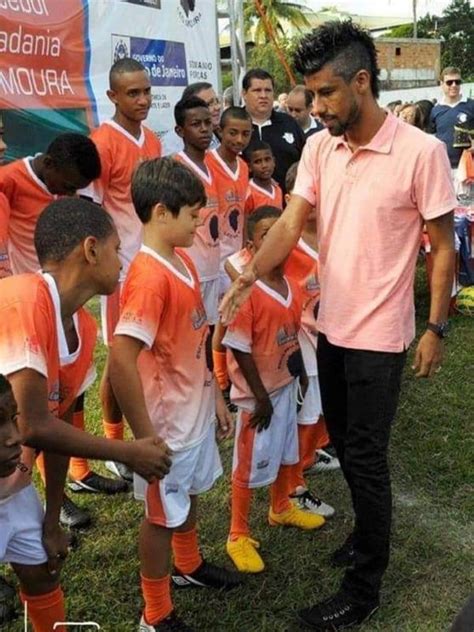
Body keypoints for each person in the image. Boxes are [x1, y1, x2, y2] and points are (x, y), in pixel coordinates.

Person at [220, 20, 456, 630]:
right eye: (311, 95)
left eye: (325, 94)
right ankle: (363, 541)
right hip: (330, 328)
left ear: (360, 81)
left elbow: (441, 245)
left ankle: (364, 586)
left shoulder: (421, 151)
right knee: (347, 450)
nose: (315, 107)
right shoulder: (323, 147)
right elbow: (292, 223)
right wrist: (246, 278)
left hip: (381, 339)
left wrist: (436, 328)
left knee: (367, 458)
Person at [0, 198, 172, 632]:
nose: (123, 261)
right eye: (117, 249)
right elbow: (31, 424)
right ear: (91, 249)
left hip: (12, 483)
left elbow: (56, 427)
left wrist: (52, 518)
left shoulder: (86, 328)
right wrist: (128, 451)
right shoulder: (21, 300)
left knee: (40, 571)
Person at [109, 158, 241, 632]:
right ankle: (156, 614)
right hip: (166, 430)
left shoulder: (181, 259)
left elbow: (197, 339)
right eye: (192, 215)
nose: (200, 223)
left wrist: (218, 399)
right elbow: (122, 359)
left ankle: (187, 567)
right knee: (160, 518)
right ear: (161, 212)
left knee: (187, 497)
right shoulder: (147, 278)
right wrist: (144, 438)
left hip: (196, 413)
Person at [223, 205, 325, 575]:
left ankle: (280, 507)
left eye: (280, 232)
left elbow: (291, 333)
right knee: (248, 465)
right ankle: (237, 534)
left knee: (286, 450)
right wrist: (260, 398)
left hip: (284, 386)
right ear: (252, 244)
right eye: (266, 235)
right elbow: (237, 345)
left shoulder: (290, 286)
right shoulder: (247, 290)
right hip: (258, 396)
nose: (276, 240)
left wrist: (296, 371)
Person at [82, 57, 162, 487]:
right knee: (120, 360)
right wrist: (105, 269)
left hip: (151, 267)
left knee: (146, 356)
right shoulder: (102, 143)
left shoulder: (151, 139)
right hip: (120, 274)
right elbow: (89, 212)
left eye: (147, 91)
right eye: (133, 93)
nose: (144, 99)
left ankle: (141, 431)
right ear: (112, 96)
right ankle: (116, 445)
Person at [0, 133, 100, 276]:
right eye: (68, 187)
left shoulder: (63, 180)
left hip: (55, 284)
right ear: (48, 164)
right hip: (24, 282)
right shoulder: (9, 180)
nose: (72, 194)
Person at [206, 107, 252, 405]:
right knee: (215, 323)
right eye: (232, 132)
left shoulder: (244, 167)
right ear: (219, 131)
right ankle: (219, 382)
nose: (238, 139)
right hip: (211, 258)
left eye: (245, 133)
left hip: (236, 256)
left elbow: (244, 212)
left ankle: (229, 378)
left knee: (233, 318)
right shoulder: (208, 163)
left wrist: (247, 247)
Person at [174, 96, 220, 326]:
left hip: (214, 268)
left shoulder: (214, 165)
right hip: (189, 269)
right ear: (180, 130)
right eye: (195, 124)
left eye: (207, 122)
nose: (204, 129)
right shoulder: (176, 169)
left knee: (213, 336)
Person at [242, 68, 305, 193]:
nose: (263, 96)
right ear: (244, 94)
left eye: (268, 90)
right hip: (244, 206)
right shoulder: (234, 126)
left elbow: (306, 163)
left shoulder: (289, 123)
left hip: (287, 207)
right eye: (257, 90)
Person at [430, 67, 474, 171]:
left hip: (468, 168)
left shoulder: (471, 105)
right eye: (449, 82)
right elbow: (431, 138)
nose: (454, 85)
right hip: (442, 167)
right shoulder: (435, 110)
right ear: (441, 84)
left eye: (457, 82)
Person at [244, 141, 283, 214]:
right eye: (258, 162)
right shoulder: (248, 193)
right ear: (249, 167)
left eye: (267, 159)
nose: (264, 165)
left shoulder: (277, 189)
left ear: (274, 161)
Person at [182, 82, 222, 148]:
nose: (217, 107)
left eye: (217, 101)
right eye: (209, 104)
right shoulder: (174, 144)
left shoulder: (219, 133)